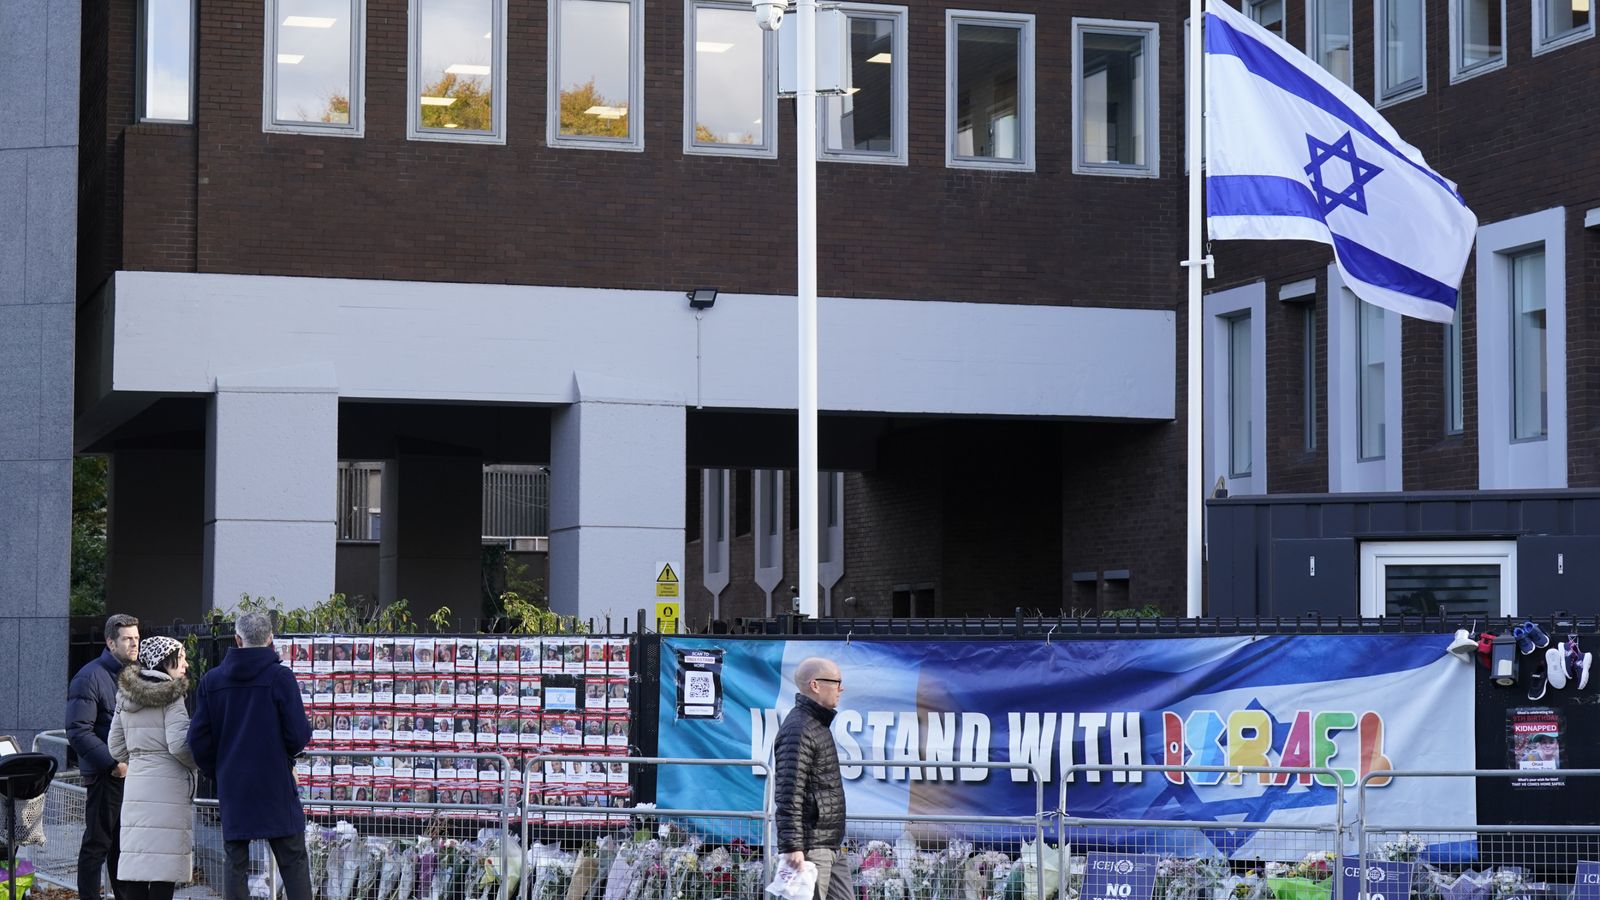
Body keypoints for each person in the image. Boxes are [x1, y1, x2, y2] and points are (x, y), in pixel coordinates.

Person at [188, 612, 314, 900]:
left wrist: (218, 770)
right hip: (276, 783)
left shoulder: (212, 680)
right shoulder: (280, 677)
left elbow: (198, 739)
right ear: (270, 639)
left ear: (237, 639)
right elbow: (297, 735)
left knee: (235, 862)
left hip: (234, 784)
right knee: (293, 861)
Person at [108, 636, 198, 900]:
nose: (186, 665)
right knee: (163, 873)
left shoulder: (125, 694)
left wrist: (138, 755)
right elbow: (179, 745)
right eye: (181, 658)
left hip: (136, 786)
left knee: (137, 869)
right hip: (168, 790)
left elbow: (115, 747)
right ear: (165, 661)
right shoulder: (172, 695)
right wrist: (198, 762)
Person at [68, 612, 140, 900]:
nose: (134, 644)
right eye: (127, 639)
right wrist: (113, 764)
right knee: (97, 844)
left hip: (132, 776)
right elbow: (77, 730)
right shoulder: (89, 677)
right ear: (111, 642)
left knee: (123, 846)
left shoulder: (136, 673)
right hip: (105, 776)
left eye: (137, 638)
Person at [773, 657, 850, 900]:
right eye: (837, 682)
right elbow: (789, 791)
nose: (841, 688)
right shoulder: (799, 728)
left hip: (830, 844)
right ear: (815, 685)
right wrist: (793, 846)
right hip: (811, 847)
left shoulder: (816, 724)